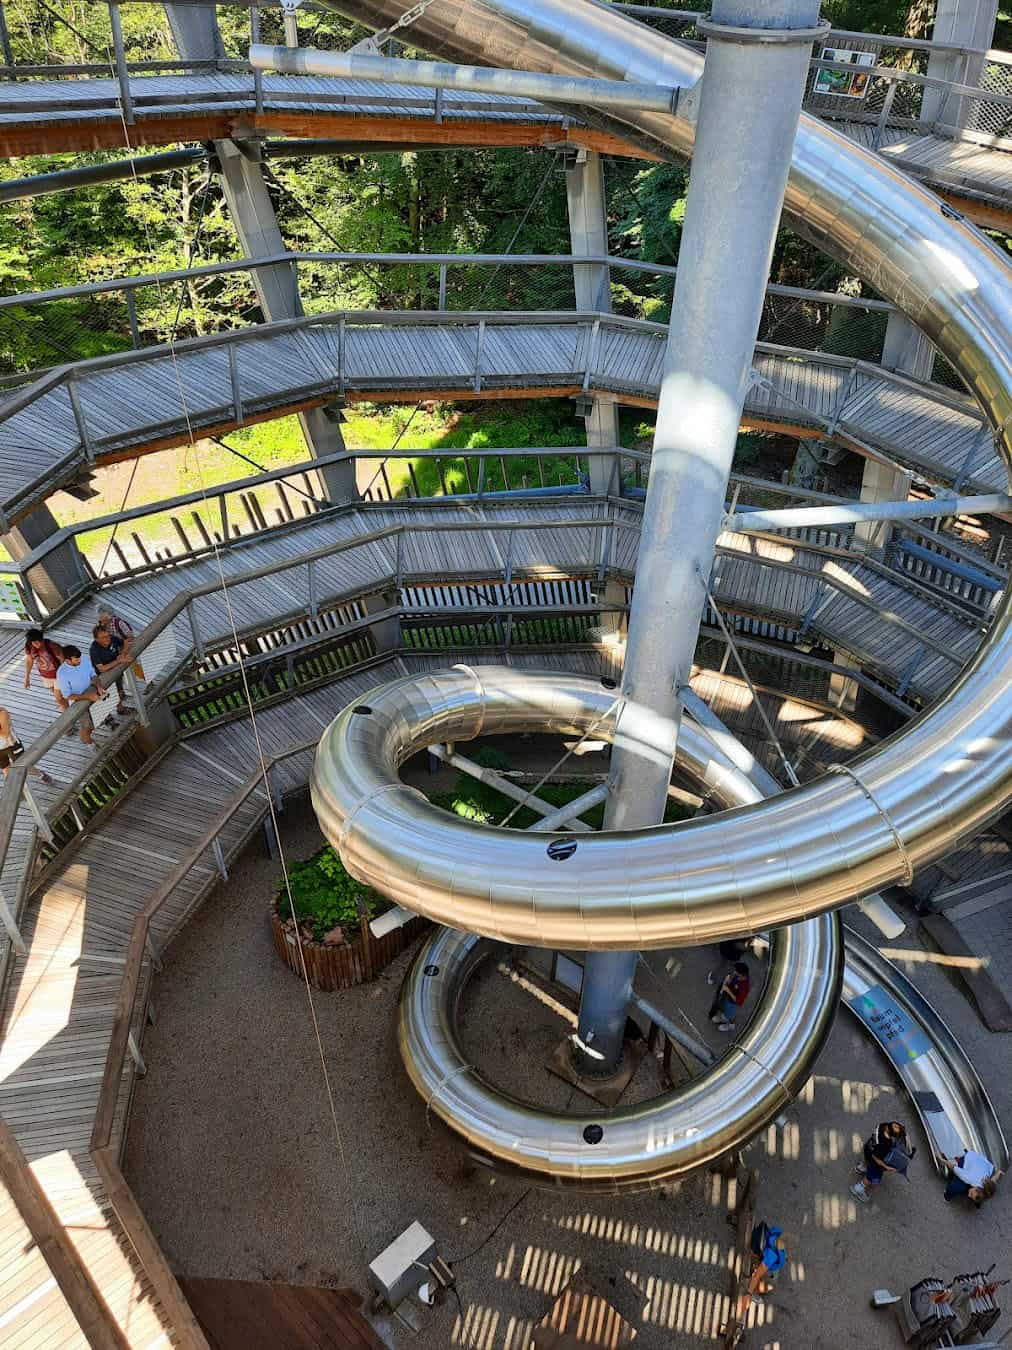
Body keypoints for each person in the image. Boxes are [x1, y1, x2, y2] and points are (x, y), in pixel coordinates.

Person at [55, 646, 112, 748]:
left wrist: (99, 686)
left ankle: (105, 722)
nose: (80, 660)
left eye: (80, 657)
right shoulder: (62, 673)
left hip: (93, 694)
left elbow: (93, 675)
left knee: (101, 716)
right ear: (68, 660)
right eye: (76, 659)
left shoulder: (84, 660)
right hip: (79, 702)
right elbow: (68, 696)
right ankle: (88, 743)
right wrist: (88, 696)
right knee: (87, 727)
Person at [851, 1120, 913, 1203]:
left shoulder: (883, 1125)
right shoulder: (886, 1143)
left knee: (867, 1161)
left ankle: (861, 1168)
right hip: (874, 1161)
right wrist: (887, 1167)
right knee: (872, 1177)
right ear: (892, 1135)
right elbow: (876, 1158)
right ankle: (858, 1189)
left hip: (868, 1149)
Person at [0, 708, 55, 785]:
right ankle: (13, 789)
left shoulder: (2, 713)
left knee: (25, 766)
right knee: (5, 769)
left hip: (12, 745)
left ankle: (40, 775)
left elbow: (6, 733)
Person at [89, 624, 130, 715]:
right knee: (108, 697)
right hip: (103, 677)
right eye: (103, 637)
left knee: (119, 690)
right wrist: (119, 661)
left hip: (116, 671)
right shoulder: (94, 650)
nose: (107, 639)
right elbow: (102, 669)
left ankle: (120, 709)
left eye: (107, 635)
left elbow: (126, 642)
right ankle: (107, 717)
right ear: (96, 639)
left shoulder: (111, 638)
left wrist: (122, 654)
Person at [96, 605, 142, 684]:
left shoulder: (119, 623)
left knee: (136, 668)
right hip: (116, 652)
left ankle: (145, 682)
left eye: (100, 616)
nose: (99, 618)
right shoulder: (102, 626)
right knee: (124, 672)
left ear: (107, 615)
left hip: (127, 649)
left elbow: (130, 637)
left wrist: (123, 652)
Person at [23, 629, 64, 709]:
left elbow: (62, 659)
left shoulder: (51, 645)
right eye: (33, 642)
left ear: (41, 639)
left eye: (38, 642)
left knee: (59, 699)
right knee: (57, 696)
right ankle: (65, 707)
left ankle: (67, 712)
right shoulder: (29, 646)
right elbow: (29, 660)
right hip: (45, 675)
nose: (36, 644)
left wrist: (63, 674)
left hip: (58, 675)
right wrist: (27, 677)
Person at [709, 960, 750, 1033]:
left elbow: (738, 1001)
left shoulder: (745, 987)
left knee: (731, 1015)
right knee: (725, 1011)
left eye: (736, 972)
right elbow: (732, 982)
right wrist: (729, 980)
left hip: (733, 1003)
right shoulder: (738, 977)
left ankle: (730, 1026)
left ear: (742, 974)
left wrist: (728, 990)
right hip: (727, 999)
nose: (734, 972)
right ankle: (723, 1019)